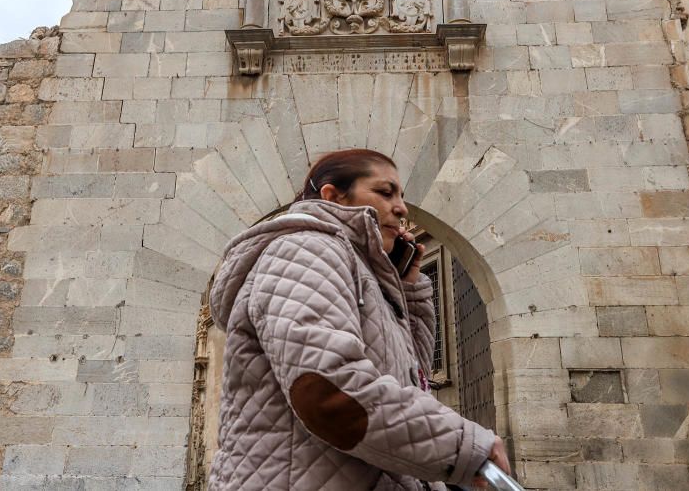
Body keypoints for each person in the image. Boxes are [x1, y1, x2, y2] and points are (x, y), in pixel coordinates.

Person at [208, 148, 511, 490]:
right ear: (333, 196)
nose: (401, 208)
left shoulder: (357, 272)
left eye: (401, 194)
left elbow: (409, 384)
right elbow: (329, 390)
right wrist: (463, 447)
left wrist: (405, 291)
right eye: (385, 192)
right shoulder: (305, 250)